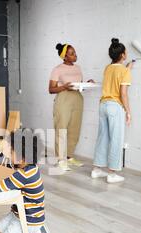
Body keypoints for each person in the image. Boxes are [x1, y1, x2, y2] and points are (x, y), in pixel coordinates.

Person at [91, 38, 134, 183]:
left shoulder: (107, 68)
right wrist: (128, 111)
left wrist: (127, 68)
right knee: (116, 138)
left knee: (102, 137)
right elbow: (123, 93)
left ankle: (96, 170)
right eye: (125, 52)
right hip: (115, 106)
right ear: (122, 55)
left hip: (103, 105)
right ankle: (112, 173)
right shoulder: (125, 71)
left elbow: (115, 71)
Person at [49, 43, 94, 172]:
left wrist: (87, 84)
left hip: (77, 99)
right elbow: (51, 89)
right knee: (61, 129)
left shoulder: (78, 68)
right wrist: (64, 87)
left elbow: (79, 86)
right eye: (72, 53)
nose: (75, 55)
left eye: (75, 52)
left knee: (75, 129)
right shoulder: (57, 69)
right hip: (63, 100)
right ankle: (61, 160)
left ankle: (69, 157)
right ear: (65, 56)